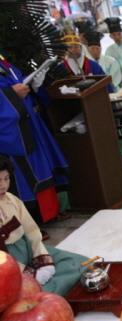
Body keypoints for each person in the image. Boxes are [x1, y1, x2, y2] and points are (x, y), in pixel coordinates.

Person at [0, 156, 86, 295]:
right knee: (20, 292)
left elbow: (31, 232)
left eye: (6, 178)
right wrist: (27, 273)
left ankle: (51, 289)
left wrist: (41, 259)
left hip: (26, 248)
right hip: (6, 263)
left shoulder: (13, 200)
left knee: (76, 262)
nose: (3, 185)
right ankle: (48, 293)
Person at [0, 54, 67, 223]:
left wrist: (33, 86)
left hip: (27, 126)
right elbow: (10, 91)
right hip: (10, 133)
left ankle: (49, 214)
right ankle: (29, 222)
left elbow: (19, 82)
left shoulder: (4, 61)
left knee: (40, 170)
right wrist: (10, 95)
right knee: (20, 176)